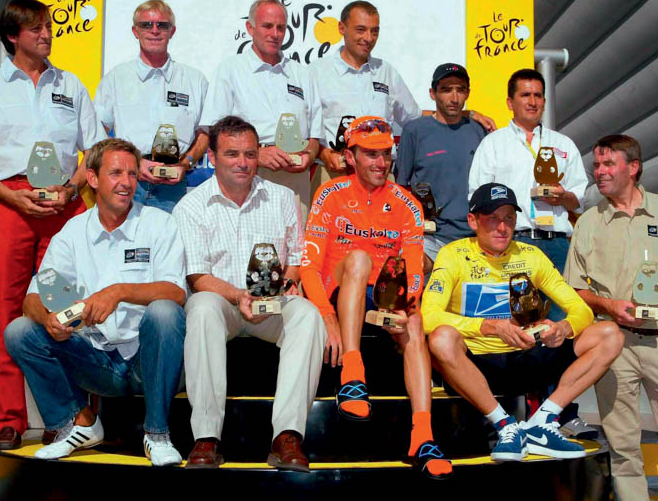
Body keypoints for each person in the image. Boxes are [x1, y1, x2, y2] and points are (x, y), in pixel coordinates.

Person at [0, 0, 104, 450]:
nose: (46, 34)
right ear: (13, 37)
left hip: (63, 204)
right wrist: (9, 197)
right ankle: (9, 423)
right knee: (4, 312)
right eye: (36, 29)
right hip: (7, 202)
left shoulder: (71, 84)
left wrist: (73, 189)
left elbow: (93, 152)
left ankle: (73, 416)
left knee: (70, 310)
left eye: (48, 27)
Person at [4, 138, 187, 466]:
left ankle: (157, 434)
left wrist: (118, 292)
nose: (126, 182)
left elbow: (176, 292)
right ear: (92, 179)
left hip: (151, 360)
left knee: (164, 312)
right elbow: (32, 296)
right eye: (116, 173)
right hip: (97, 362)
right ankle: (77, 424)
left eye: (132, 174)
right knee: (20, 331)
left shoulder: (160, 224)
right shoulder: (72, 233)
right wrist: (48, 317)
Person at [564, 135, 658, 501]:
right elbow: (574, 291)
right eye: (596, 167)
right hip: (614, 345)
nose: (598, 173)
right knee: (623, 449)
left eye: (607, 165)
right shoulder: (588, 223)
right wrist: (609, 306)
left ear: (633, 167)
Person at [422, 182, 623, 462]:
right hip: (478, 363)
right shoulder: (453, 254)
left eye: (508, 218)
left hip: (526, 356)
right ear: (472, 221)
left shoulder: (530, 255)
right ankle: (505, 426)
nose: (502, 227)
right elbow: (428, 316)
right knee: (441, 337)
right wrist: (490, 326)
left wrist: (563, 328)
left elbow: (580, 308)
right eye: (492, 218)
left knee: (610, 334)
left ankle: (543, 421)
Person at [300, 116, 453, 480]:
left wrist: (406, 305)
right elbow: (309, 264)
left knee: (415, 322)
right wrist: (325, 314)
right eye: (370, 154)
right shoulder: (330, 194)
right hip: (340, 287)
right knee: (358, 258)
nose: (380, 163)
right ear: (350, 156)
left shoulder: (407, 202)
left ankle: (423, 435)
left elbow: (414, 269)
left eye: (385, 154)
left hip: (384, 297)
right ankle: (353, 373)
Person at [173, 116, 325, 472]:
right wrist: (239, 296)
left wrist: (288, 279)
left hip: (271, 305)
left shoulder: (284, 197)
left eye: (250, 154)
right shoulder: (190, 207)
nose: (242, 162)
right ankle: (206, 438)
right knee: (203, 305)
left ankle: (287, 436)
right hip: (224, 303)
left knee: (306, 314)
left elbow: (297, 257)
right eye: (231, 154)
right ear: (212, 156)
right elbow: (197, 276)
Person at [310, 1, 495, 191]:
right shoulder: (316, 72)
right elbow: (306, 126)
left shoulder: (386, 72)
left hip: (380, 175)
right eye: (361, 29)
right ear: (342, 28)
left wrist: (467, 114)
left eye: (374, 31)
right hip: (335, 174)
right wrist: (324, 153)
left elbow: (414, 117)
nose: (368, 38)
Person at [468, 68, 587, 320]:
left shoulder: (563, 144)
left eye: (538, 95)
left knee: (560, 321)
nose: (532, 102)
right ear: (510, 102)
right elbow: (476, 196)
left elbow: (579, 200)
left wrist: (562, 197)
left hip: (556, 244)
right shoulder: (493, 144)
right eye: (525, 95)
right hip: (513, 243)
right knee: (515, 320)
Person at [199, 0, 322, 222]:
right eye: (267, 26)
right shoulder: (231, 69)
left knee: (292, 247)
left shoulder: (302, 73)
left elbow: (316, 134)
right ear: (250, 27)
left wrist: (309, 156)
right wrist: (257, 154)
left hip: (295, 176)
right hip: (248, 172)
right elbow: (216, 130)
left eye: (281, 28)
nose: (275, 34)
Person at [94, 0, 208, 212]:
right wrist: (131, 162)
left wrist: (186, 163)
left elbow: (206, 132)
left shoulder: (195, 80)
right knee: (123, 243)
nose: (154, 30)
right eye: (146, 24)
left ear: (172, 31)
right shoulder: (116, 78)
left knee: (168, 244)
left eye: (162, 25)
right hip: (127, 180)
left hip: (174, 184)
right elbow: (96, 128)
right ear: (135, 31)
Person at [394, 63, 487, 273]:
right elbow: (401, 188)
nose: (454, 98)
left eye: (460, 90)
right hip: (430, 238)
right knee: (406, 270)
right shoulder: (414, 131)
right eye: (446, 89)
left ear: (468, 93)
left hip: (475, 238)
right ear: (432, 93)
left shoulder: (480, 130)